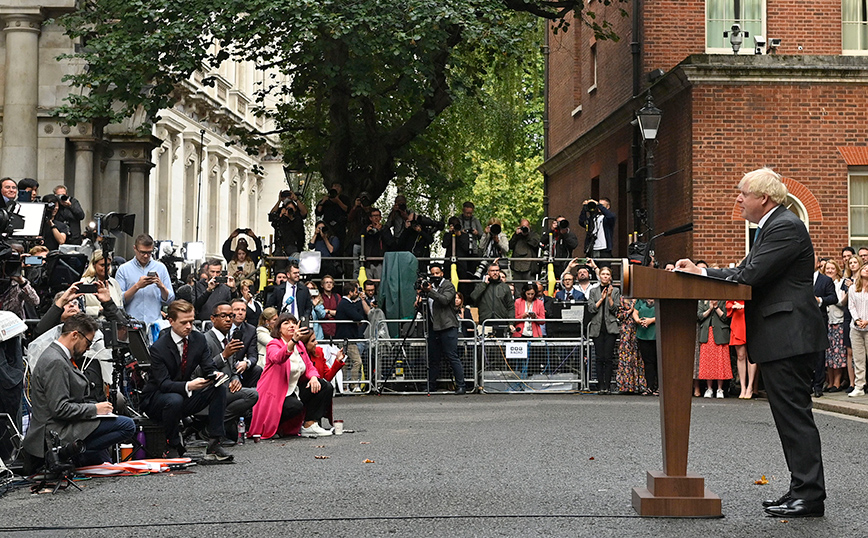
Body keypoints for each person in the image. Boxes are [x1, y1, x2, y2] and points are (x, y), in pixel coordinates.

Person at [676, 167, 827, 517]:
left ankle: (809, 496)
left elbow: (748, 276)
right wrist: (702, 272)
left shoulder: (785, 226)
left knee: (794, 419)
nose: (738, 199)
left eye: (743, 193)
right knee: (788, 418)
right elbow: (747, 272)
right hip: (782, 335)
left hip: (788, 336)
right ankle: (800, 490)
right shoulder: (772, 226)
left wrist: (701, 273)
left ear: (765, 198)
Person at [22, 314, 135, 468]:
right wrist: (94, 409)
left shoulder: (57, 355)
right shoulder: (55, 361)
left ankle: (80, 455)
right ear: (75, 335)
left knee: (105, 458)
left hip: (63, 425)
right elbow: (60, 408)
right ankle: (71, 455)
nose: (88, 348)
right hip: (55, 431)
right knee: (127, 426)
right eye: (88, 342)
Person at [140, 300, 232, 461]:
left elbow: (208, 366)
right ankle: (173, 445)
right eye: (184, 322)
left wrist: (214, 375)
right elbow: (163, 384)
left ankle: (215, 442)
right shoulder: (158, 348)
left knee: (219, 388)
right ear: (171, 321)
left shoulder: (198, 339)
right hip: (156, 399)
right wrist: (189, 385)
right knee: (174, 399)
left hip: (184, 395)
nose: (189, 326)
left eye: (191, 321)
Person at [248, 316, 335, 439]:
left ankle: (310, 425)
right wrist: (292, 341)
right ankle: (276, 426)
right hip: (275, 393)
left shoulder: (300, 345)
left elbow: (309, 367)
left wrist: (314, 377)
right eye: (286, 323)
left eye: (294, 323)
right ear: (279, 329)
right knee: (295, 406)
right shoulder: (274, 344)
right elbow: (277, 358)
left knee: (324, 386)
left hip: (294, 389)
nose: (292, 325)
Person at [203, 302, 259, 442]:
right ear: (212, 319)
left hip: (227, 387)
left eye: (230, 316)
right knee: (251, 395)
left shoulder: (229, 339)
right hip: (209, 390)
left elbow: (233, 368)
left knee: (251, 395)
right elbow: (201, 370)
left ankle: (212, 428)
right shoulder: (205, 340)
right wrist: (224, 355)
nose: (228, 319)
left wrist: (235, 379)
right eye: (223, 316)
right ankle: (211, 428)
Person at [418, 264, 465, 394]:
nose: (435, 276)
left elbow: (444, 300)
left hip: (448, 326)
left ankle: (461, 385)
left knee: (452, 356)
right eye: (432, 273)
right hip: (434, 326)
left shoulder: (448, 286)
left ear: (442, 273)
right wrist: (419, 301)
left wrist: (430, 291)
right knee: (433, 358)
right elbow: (425, 309)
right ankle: (431, 385)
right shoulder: (430, 287)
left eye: (437, 273)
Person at [115, 234, 175, 325]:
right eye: (142, 252)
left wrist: (161, 286)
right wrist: (137, 286)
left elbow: (170, 299)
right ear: (135, 248)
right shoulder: (123, 269)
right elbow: (119, 300)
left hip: (155, 324)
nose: (146, 256)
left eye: (149, 252)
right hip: (132, 324)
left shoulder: (161, 268)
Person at [587, 266, 620, 393]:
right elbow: (591, 309)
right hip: (597, 328)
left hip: (610, 327)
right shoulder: (593, 291)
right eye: (603, 274)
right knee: (599, 357)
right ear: (599, 276)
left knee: (608, 357)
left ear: (610, 277)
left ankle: (608, 385)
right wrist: (601, 299)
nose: (605, 276)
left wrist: (610, 297)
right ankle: (600, 385)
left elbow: (615, 309)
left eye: (607, 274)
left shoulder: (616, 290)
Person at [335, 282, 369, 392]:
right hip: (347, 338)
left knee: (346, 362)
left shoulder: (344, 303)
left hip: (346, 337)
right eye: (355, 291)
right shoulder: (345, 304)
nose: (357, 293)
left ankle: (344, 385)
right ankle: (353, 385)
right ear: (350, 292)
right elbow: (357, 316)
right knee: (357, 361)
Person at [697, 300, 731, 399]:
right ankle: (709, 388)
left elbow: (725, 317)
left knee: (720, 361)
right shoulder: (703, 301)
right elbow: (699, 316)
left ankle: (720, 389)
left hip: (720, 334)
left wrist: (716, 307)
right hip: (707, 334)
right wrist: (710, 308)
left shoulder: (723, 301)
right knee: (708, 361)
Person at [470, 262, 514, 336]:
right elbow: (473, 296)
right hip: (485, 322)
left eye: (497, 271)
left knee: (500, 346)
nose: (495, 273)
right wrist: (484, 284)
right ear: (488, 272)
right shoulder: (482, 286)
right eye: (492, 271)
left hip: (501, 322)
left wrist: (511, 323)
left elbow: (510, 306)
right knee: (484, 347)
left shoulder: (505, 287)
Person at [823, 260, 847, 392]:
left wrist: (829, 296)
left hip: (838, 321)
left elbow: (841, 302)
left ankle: (837, 382)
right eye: (827, 269)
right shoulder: (824, 282)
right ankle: (830, 382)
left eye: (832, 268)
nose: (830, 271)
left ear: (837, 270)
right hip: (827, 321)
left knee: (838, 354)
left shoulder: (841, 284)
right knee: (829, 354)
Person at [616, 297, 646, 394]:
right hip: (626, 332)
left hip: (637, 329)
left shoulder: (639, 299)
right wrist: (630, 311)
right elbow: (619, 315)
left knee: (637, 356)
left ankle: (638, 385)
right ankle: (626, 386)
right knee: (626, 357)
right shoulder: (621, 299)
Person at [80, 249, 123, 317]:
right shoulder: (83, 283)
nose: (106, 268)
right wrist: (99, 310)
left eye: (108, 265)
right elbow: (80, 309)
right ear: (94, 264)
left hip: (114, 323)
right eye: (102, 265)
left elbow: (121, 306)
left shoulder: (114, 283)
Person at [727, 300, 755, 399]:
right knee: (740, 355)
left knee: (752, 355)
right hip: (738, 319)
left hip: (750, 318)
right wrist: (734, 306)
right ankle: (743, 387)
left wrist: (743, 306)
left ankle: (750, 387)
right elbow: (728, 302)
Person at [847, 263, 868, 399]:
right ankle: (859, 386)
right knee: (858, 359)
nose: (866, 270)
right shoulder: (853, 288)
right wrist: (857, 320)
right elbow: (851, 306)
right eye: (865, 268)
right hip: (856, 328)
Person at [269, 190, 307, 260]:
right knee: (280, 267)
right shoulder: (281, 213)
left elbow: (304, 212)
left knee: (294, 265)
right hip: (281, 246)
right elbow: (271, 216)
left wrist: (296, 199)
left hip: (294, 245)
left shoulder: (297, 216)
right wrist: (279, 201)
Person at [314, 182, 350, 252]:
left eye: (338, 186)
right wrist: (323, 201)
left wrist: (338, 201)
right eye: (334, 186)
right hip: (327, 225)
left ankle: (339, 260)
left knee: (340, 245)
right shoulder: (326, 199)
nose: (336, 188)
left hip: (340, 225)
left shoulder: (344, 199)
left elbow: (347, 210)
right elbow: (318, 212)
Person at [633, 299, 657, 395]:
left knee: (658, 362)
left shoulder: (659, 299)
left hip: (656, 334)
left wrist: (651, 320)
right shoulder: (640, 300)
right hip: (643, 334)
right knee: (648, 362)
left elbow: (665, 314)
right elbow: (635, 312)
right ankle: (649, 387)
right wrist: (638, 321)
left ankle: (659, 387)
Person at [509, 218, 540, 283]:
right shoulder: (517, 236)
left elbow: (535, 244)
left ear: (529, 227)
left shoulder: (533, 235)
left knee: (530, 288)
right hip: (517, 266)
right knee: (518, 288)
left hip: (529, 267)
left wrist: (527, 235)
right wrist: (515, 235)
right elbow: (510, 246)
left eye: (526, 227)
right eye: (522, 227)